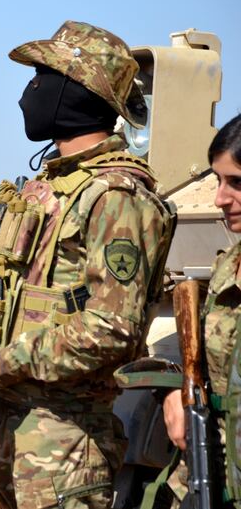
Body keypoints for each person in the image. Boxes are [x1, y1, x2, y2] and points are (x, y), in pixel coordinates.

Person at [0, 21, 175, 508]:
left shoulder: (117, 197)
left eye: (38, 80)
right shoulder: (45, 192)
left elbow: (112, 327)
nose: (27, 95)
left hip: (65, 444)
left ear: (74, 89)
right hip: (6, 433)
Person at [163, 114, 241, 508]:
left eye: (237, 183)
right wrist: (176, 397)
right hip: (212, 480)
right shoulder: (228, 267)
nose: (220, 198)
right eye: (218, 181)